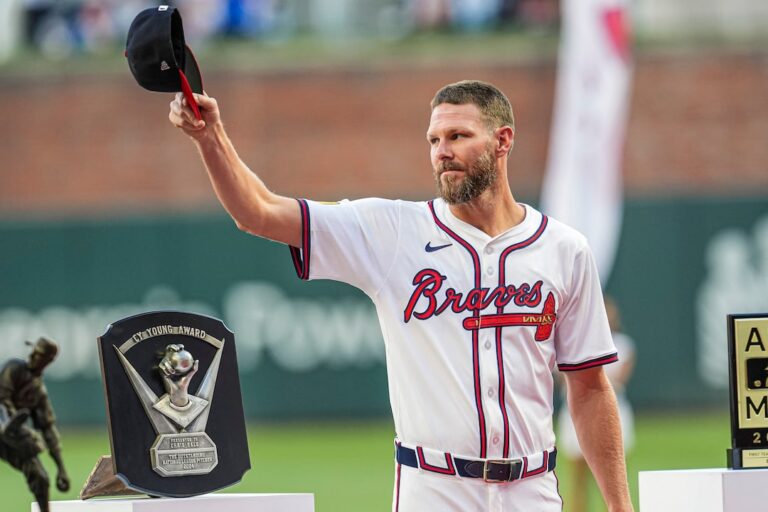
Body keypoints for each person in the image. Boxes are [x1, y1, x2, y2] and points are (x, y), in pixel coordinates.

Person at [168, 79, 633, 511]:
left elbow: (590, 388)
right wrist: (211, 137)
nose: (441, 152)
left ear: (502, 141)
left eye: (458, 136)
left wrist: (619, 506)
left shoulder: (564, 250)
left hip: (533, 490)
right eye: (434, 140)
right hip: (434, 489)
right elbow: (260, 212)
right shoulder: (394, 232)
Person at [557, 296, 636, 512]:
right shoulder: (572, 342)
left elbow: (618, 378)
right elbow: (558, 373)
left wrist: (586, 376)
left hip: (613, 408)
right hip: (575, 409)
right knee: (578, 475)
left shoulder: (623, 344)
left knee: (613, 478)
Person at [0, 336, 70, 512]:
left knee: (41, 477)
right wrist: (11, 419)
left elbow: (48, 428)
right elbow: (2, 397)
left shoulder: (39, 392)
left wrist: (60, 469)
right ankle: (11, 427)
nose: (33, 357)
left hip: (11, 438)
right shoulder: (13, 368)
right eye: (34, 353)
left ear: (48, 361)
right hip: (6, 428)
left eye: (39, 355)